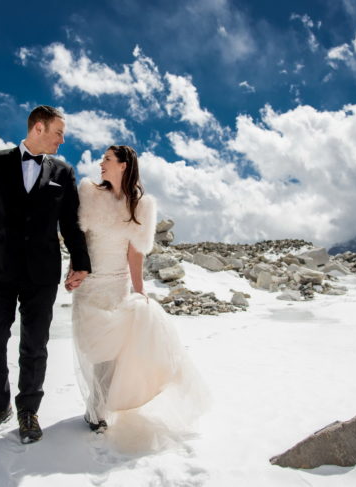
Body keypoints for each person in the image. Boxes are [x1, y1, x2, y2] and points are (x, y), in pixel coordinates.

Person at [0, 105, 91, 444]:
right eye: (59, 133)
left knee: (35, 343)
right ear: (38, 128)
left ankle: (28, 410)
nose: (63, 140)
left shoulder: (63, 172)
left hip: (42, 272)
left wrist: (81, 262)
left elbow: (71, 224)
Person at [68, 145, 208, 452]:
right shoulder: (89, 192)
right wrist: (73, 270)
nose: (100, 164)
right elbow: (78, 238)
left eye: (106, 159)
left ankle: (98, 410)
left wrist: (139, 289)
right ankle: (99, 403)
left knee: (111, 351)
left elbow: (135, 253)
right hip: (89, 285)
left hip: (117, 286)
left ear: (122, 165)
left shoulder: (141, 205)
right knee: (92, 346)